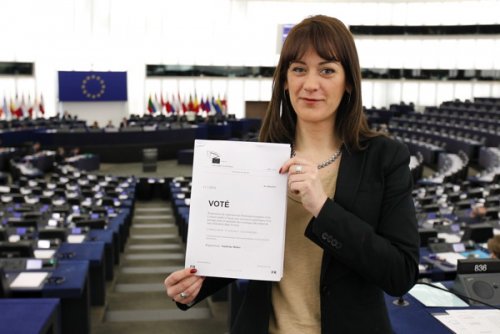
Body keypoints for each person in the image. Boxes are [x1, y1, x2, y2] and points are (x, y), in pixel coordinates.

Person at [164, 15, 420, 334]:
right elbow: (245, 249)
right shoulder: (256, 157)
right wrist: (196, 283)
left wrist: (322, 207)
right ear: (285, 80)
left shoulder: (385, 157)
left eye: (327, 70)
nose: (310, 84)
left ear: (349, 81)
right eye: (299, 69)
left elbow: (401, 274)